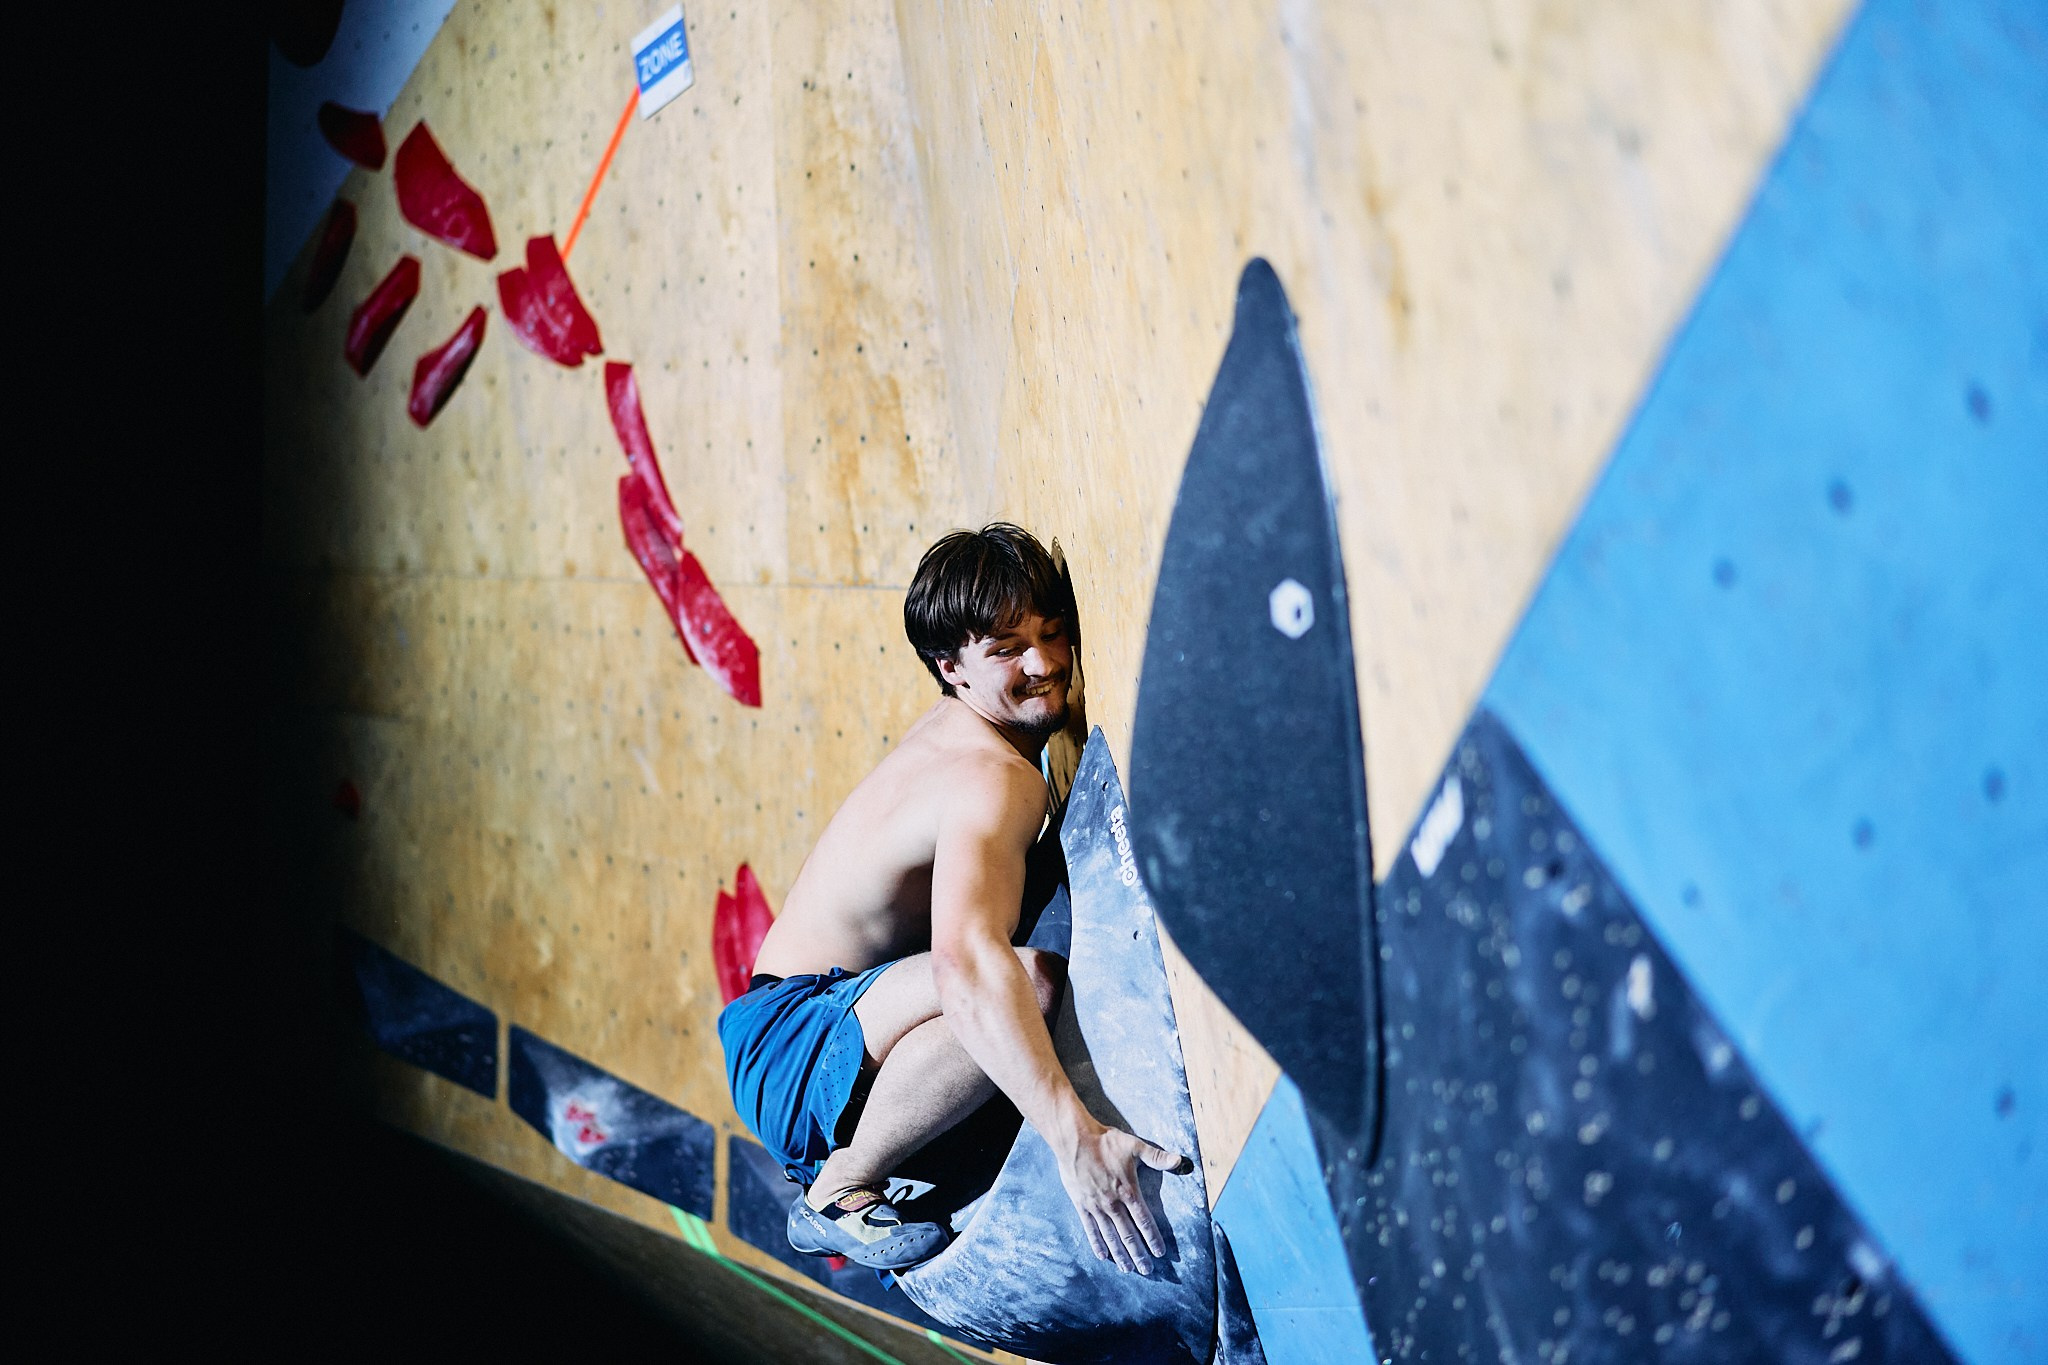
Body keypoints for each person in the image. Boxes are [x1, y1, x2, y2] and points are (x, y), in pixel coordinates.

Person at [718, 523, 1188, 1275]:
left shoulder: (965, 732)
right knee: (1023, 981)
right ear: (953, 668)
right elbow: (967, 968)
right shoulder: (995, 775)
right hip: (794, 1035)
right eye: (1008, 650)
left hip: (798, 1023)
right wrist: (1076, 1141)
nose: (1046, 663)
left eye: (1054, 632)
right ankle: (841, 1185)